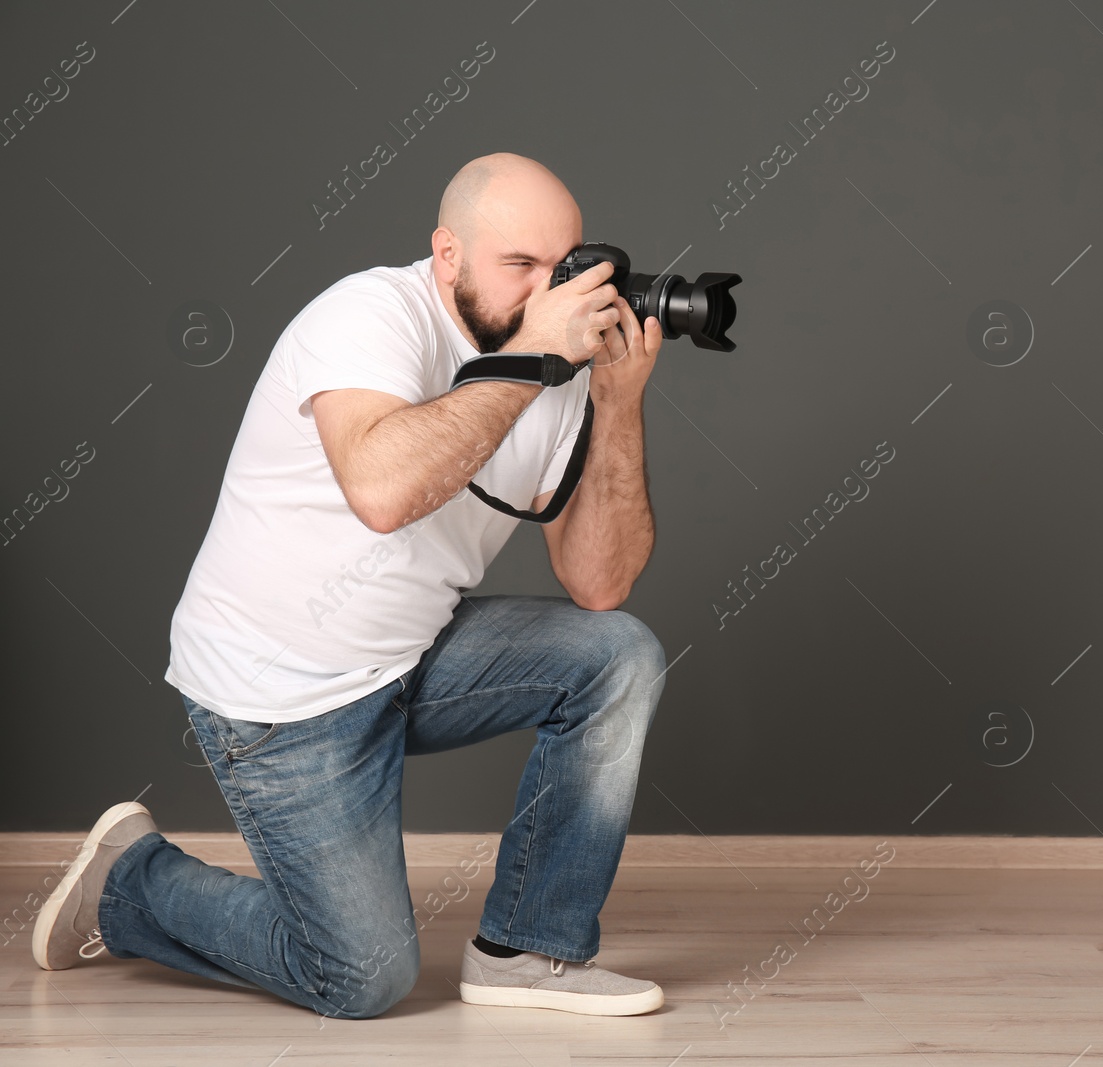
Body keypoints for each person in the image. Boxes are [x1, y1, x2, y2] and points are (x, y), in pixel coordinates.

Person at [32, 153, 670, 1018]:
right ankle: (129, 881)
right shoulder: (370, 315)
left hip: (407, 657)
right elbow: (381, 491)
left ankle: (526, 946)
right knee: (363, 978)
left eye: (561, 265)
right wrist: (529, 356)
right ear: (448, 254)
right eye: (517, 264)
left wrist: (619, 400)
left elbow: (601, 582)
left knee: (617, 654)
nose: (547, 290)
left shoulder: (559, 368)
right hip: (279, 694)